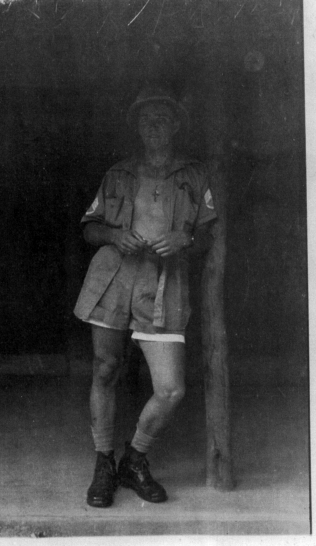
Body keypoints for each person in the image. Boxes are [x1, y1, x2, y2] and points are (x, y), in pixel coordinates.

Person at [74, 85, 216, 507]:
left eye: (161, 119)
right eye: (145, 119)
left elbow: (209, 233)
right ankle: (104, 462)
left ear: (175, 126)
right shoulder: (117, 173)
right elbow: (89, 227)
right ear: (137, 127)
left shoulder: (193, 175)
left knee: (171, 388)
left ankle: (134, 458)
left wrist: (185, 238)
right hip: (114, 278)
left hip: (165, 283)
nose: (153, 126)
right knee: (105, 367)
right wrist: (115, 235)